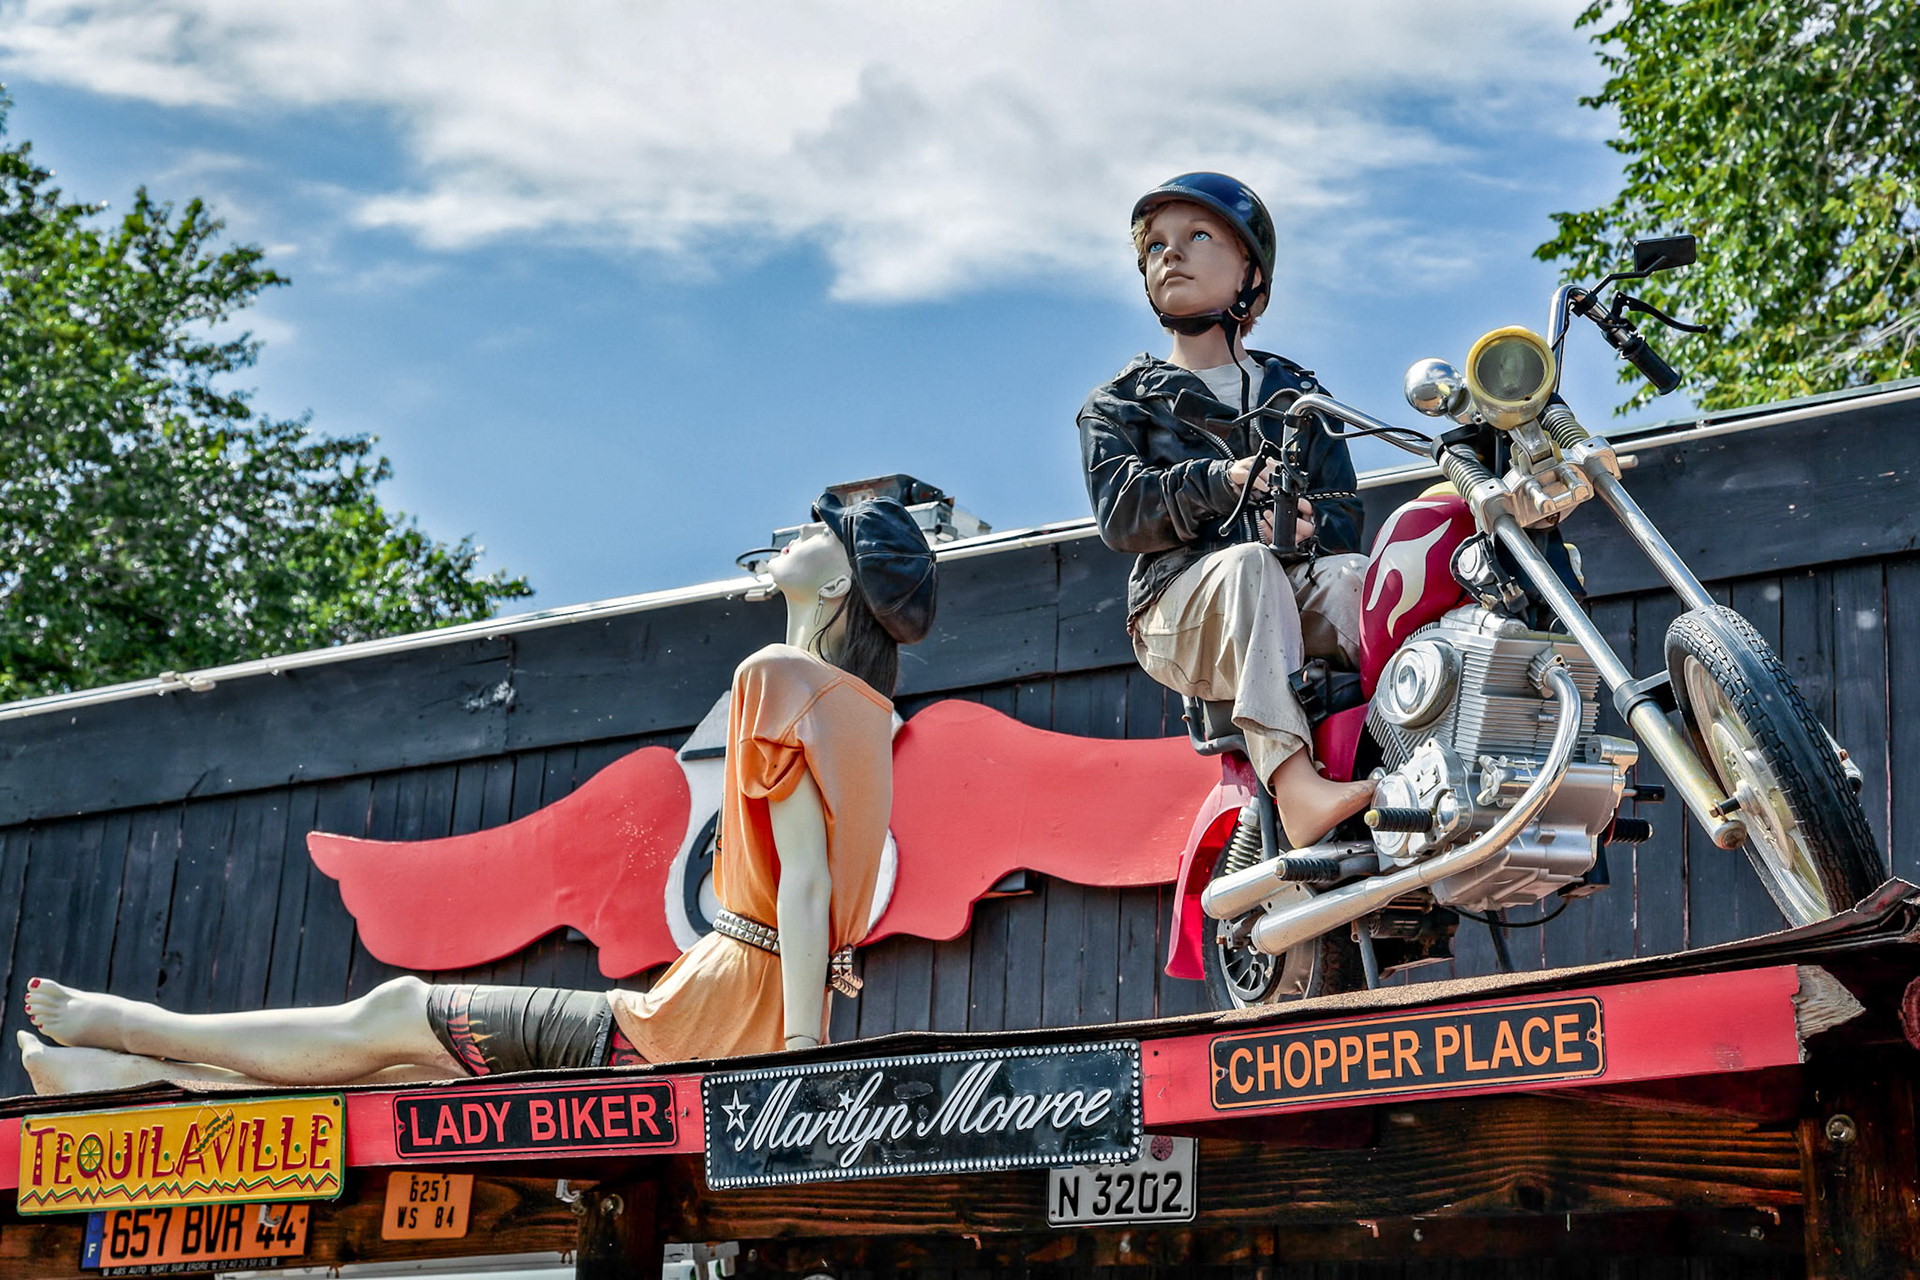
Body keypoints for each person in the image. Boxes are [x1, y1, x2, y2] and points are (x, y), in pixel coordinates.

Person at [16, 492, 937, 1095]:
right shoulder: (861, 712)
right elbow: (821, 891)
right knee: (403, 1065)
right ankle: (129, 1068)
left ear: (839, 579)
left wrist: (803, 1067)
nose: (799, 534)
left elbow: (808, 884)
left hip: (702, 1021)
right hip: (743, 1010)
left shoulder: (778, 676)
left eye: (822, 532)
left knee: (396, 1013)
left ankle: (143, 1026)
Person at [1077, 172, 1375, 849]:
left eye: (1197, 236)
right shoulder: (1120, 403)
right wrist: (1224, 484)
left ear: (1251, 273)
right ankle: (1296, 786)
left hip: (1280, 590)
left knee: (1366, 577)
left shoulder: (1299, 396)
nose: (1169, 255)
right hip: (1172, 610)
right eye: (1154, 246)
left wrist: (1299, 525)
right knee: (1247, 566)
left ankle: (1411, 752)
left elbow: (1341, 516)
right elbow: (1122, 514)